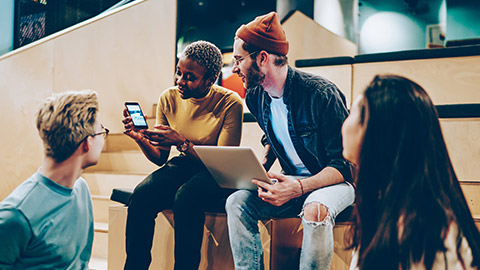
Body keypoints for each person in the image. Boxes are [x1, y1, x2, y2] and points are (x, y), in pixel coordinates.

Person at [225, 12, 355, 270]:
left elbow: (344, 164)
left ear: (262, 58)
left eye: (239, 59)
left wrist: (300, 187)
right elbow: (272, 136)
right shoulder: (255, 96)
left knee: (315, 210)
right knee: (237, 202)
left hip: (334, 181)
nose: (234, 68)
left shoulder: (321, 94)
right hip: (292, 179)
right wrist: (261, 164)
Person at [123, 40, 243, 270]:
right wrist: (140, 139)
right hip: (185, 162)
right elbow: (160, 157)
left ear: (210, 80)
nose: (180, 81)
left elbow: (223, 165)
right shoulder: (168, 98)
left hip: (216, 171)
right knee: (140, 196)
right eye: (178, 73)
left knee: (186, 197)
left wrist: (182, 143)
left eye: (190, 77)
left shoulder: (230, 103)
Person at [343, 74, 480, 269]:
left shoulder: (425, 233)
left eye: (351, 114)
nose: (344, 124)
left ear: (378, 132)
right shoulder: (389, 206)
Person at [0, 90, 107, 269]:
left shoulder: (81, 189)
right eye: (101, 132)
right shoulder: (15, 215)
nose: (103, 138)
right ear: (87, 143)